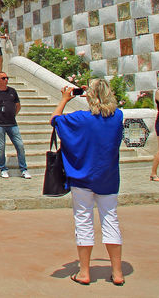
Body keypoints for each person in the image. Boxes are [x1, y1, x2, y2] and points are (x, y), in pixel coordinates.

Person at [50, 81, 124, 286]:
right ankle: (117, 272)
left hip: (82, 178)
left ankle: (84, 272)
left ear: (89, 96)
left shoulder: (81, 118)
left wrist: (65, 99)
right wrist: (95, 97)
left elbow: (55, 120)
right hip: (108, 177)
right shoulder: (117, 116)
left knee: (83, 221)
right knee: (111, 220)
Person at [0, 72, 30, 179]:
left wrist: (13, 114)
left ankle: (24, 169)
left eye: (7, 78)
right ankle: (3, 169)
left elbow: (18, 106)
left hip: (12, 124)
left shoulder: (12, 91)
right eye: (3, 78)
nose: (6, 80)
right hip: (0, 125)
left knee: (20, 146)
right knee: (1, 147)